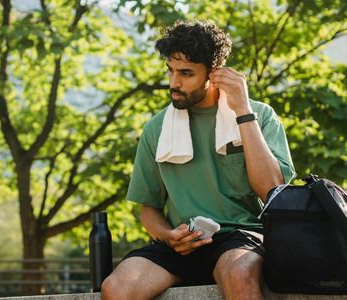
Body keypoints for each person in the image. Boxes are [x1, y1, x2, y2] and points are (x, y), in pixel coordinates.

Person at [101, 19, 295, 300]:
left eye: (186, 73)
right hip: (181, 243)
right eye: (170, 71)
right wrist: (168, 236)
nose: (174, 83)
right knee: (116, 288)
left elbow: (272, 190)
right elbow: (149, 209)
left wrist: (243, 111)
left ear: (214, 73)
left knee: (239, 273)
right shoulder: (156, 129)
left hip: (242, 237)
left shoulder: (259, 116)